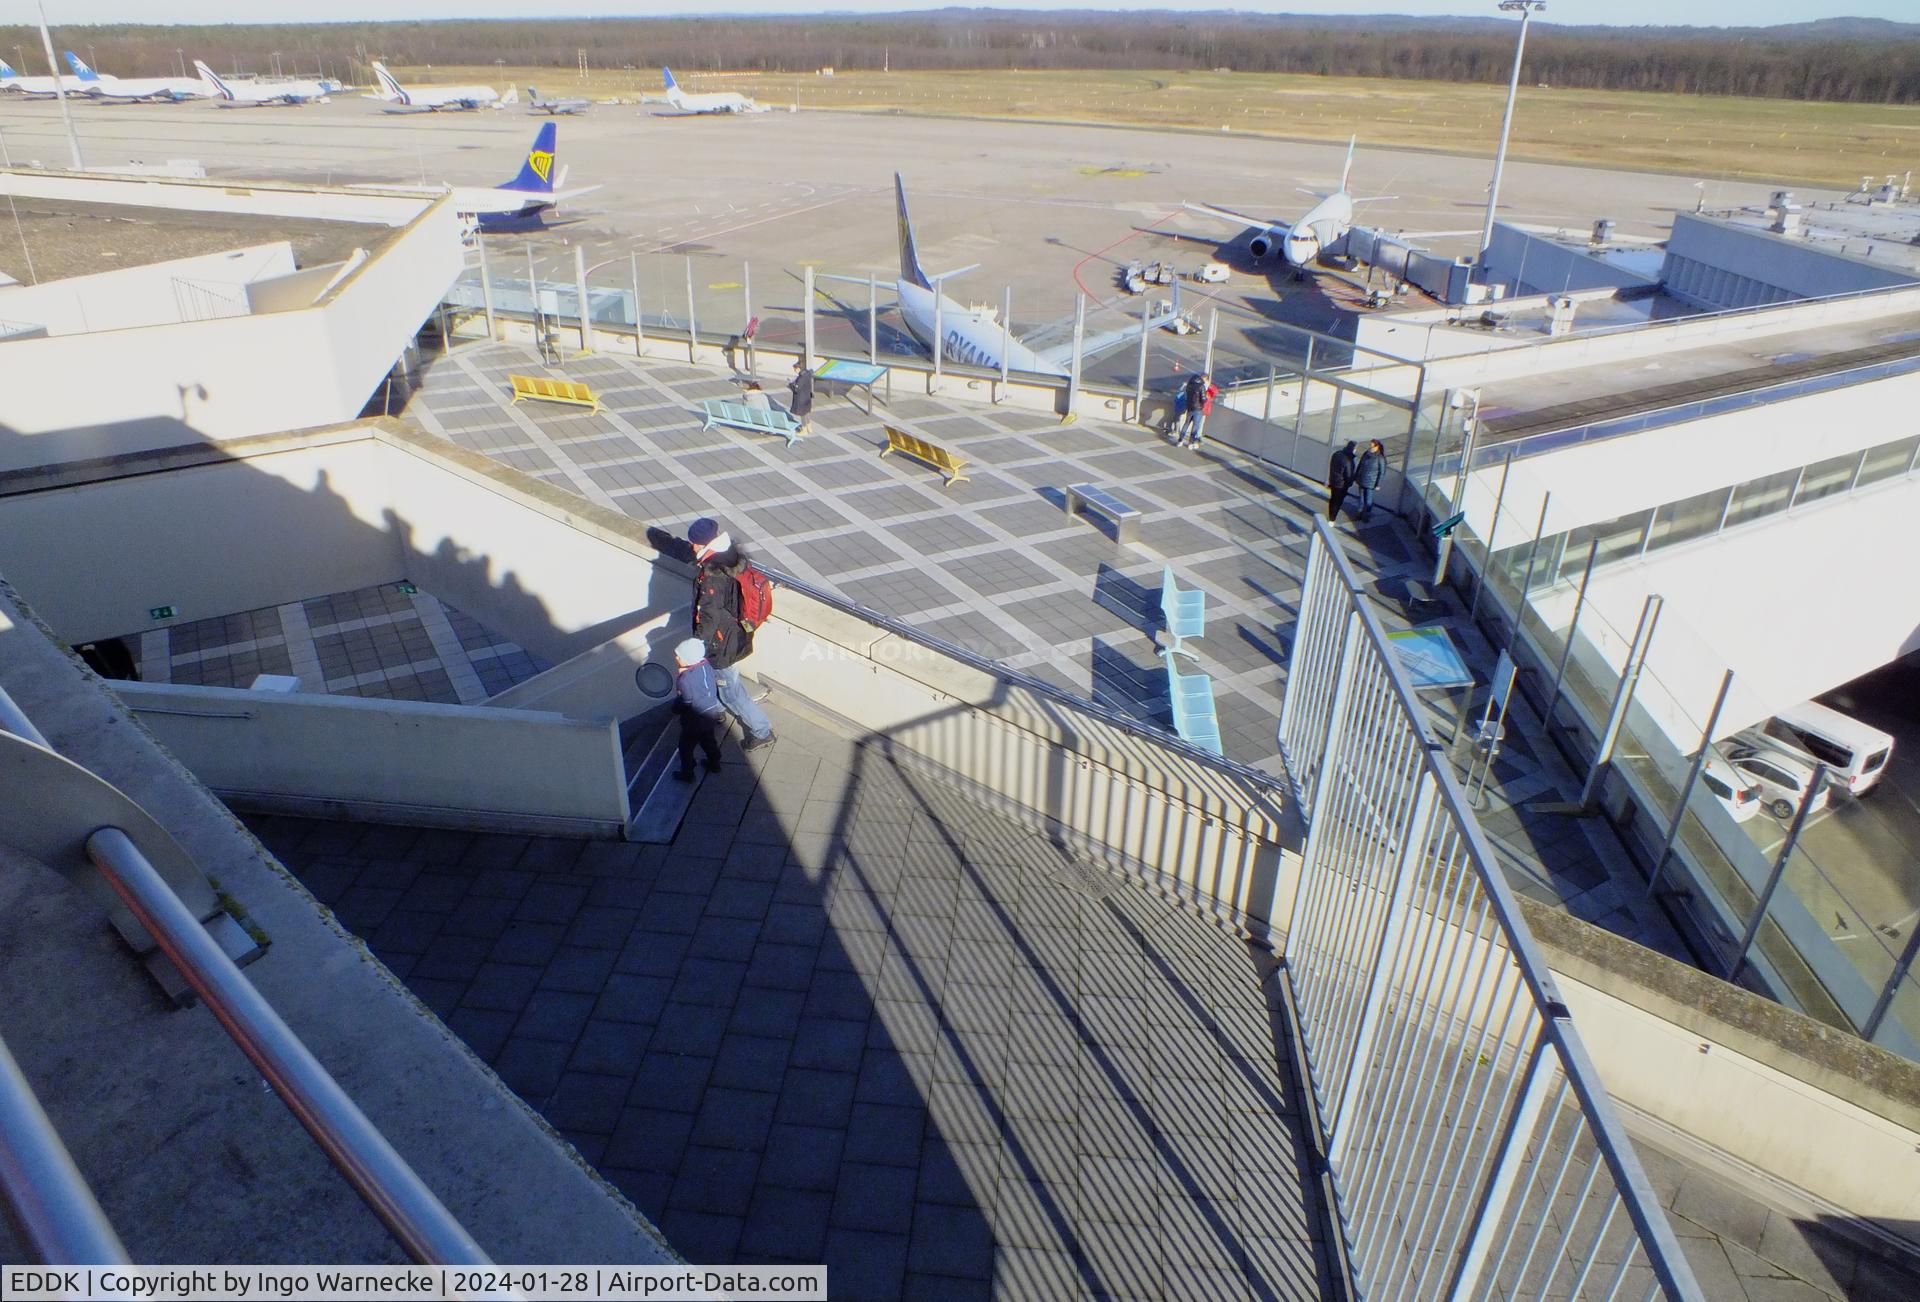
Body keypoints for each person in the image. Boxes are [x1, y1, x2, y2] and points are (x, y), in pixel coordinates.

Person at [683, 517, 775, 749]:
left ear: (706, 543)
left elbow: (710, 615)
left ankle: (762, 731)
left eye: (695, 543)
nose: (692, 547)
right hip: (736, 633)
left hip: (721, 643)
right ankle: (717, 711)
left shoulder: (713, 574)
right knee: (721, 680)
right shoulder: (731, 556)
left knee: (732, 692)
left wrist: (697, 643)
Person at [670, 637, 725, 782]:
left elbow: (686, 701)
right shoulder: (706, 665)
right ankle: (714, 762)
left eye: (680, 656)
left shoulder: (685, 679)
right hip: (710, 713)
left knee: (685, 747)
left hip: (694, 720)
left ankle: (687, 773)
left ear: (687, 659)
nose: (676, 657)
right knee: (708, 739)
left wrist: (675, 708)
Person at [1354, 439, 1386, 522]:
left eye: (1372, 446)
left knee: (1368, 500)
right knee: (1361, 499)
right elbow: (1360, 465)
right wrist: (1356, 476)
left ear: (1377, 447)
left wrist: (1378, 484)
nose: (1371, 448)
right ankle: (1359, 513)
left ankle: (1366, 515)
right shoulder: (1366, 454)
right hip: (1362, 479)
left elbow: (1381, 472)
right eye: (1370, 445)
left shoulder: (1380, 458)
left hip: (1371, 483)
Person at [1328, 440, 1357, 522]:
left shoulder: (1337, 454)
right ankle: (1332, 518)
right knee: (1338, 501)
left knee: (1333, 499)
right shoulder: (1348, 460)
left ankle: (1331, 515)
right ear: (1353, 449)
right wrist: (1350, 483)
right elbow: (1348, 475)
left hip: (1333, 481)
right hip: (1341, 484)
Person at [787, 357, 815, 437]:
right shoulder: (807, 374)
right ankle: (809, 427)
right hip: (807, 397)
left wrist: (791, 385)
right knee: (807, 413)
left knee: (802, 414)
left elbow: (796, 389)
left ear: (799, 368)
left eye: (795, 369)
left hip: (801, 399)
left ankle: (804, 429)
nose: (795, 371)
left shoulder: (801, 378)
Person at [1179, 372, 1207, 446]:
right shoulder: (1201, 386)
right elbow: (1203, 399)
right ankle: (1191, 443)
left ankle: (1180, 440)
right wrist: (1205, 400)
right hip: (1198, 409)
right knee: (1195, 425)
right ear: (1204, 378)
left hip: (1189, 407)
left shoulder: (1190, 384)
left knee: (1186, 423)